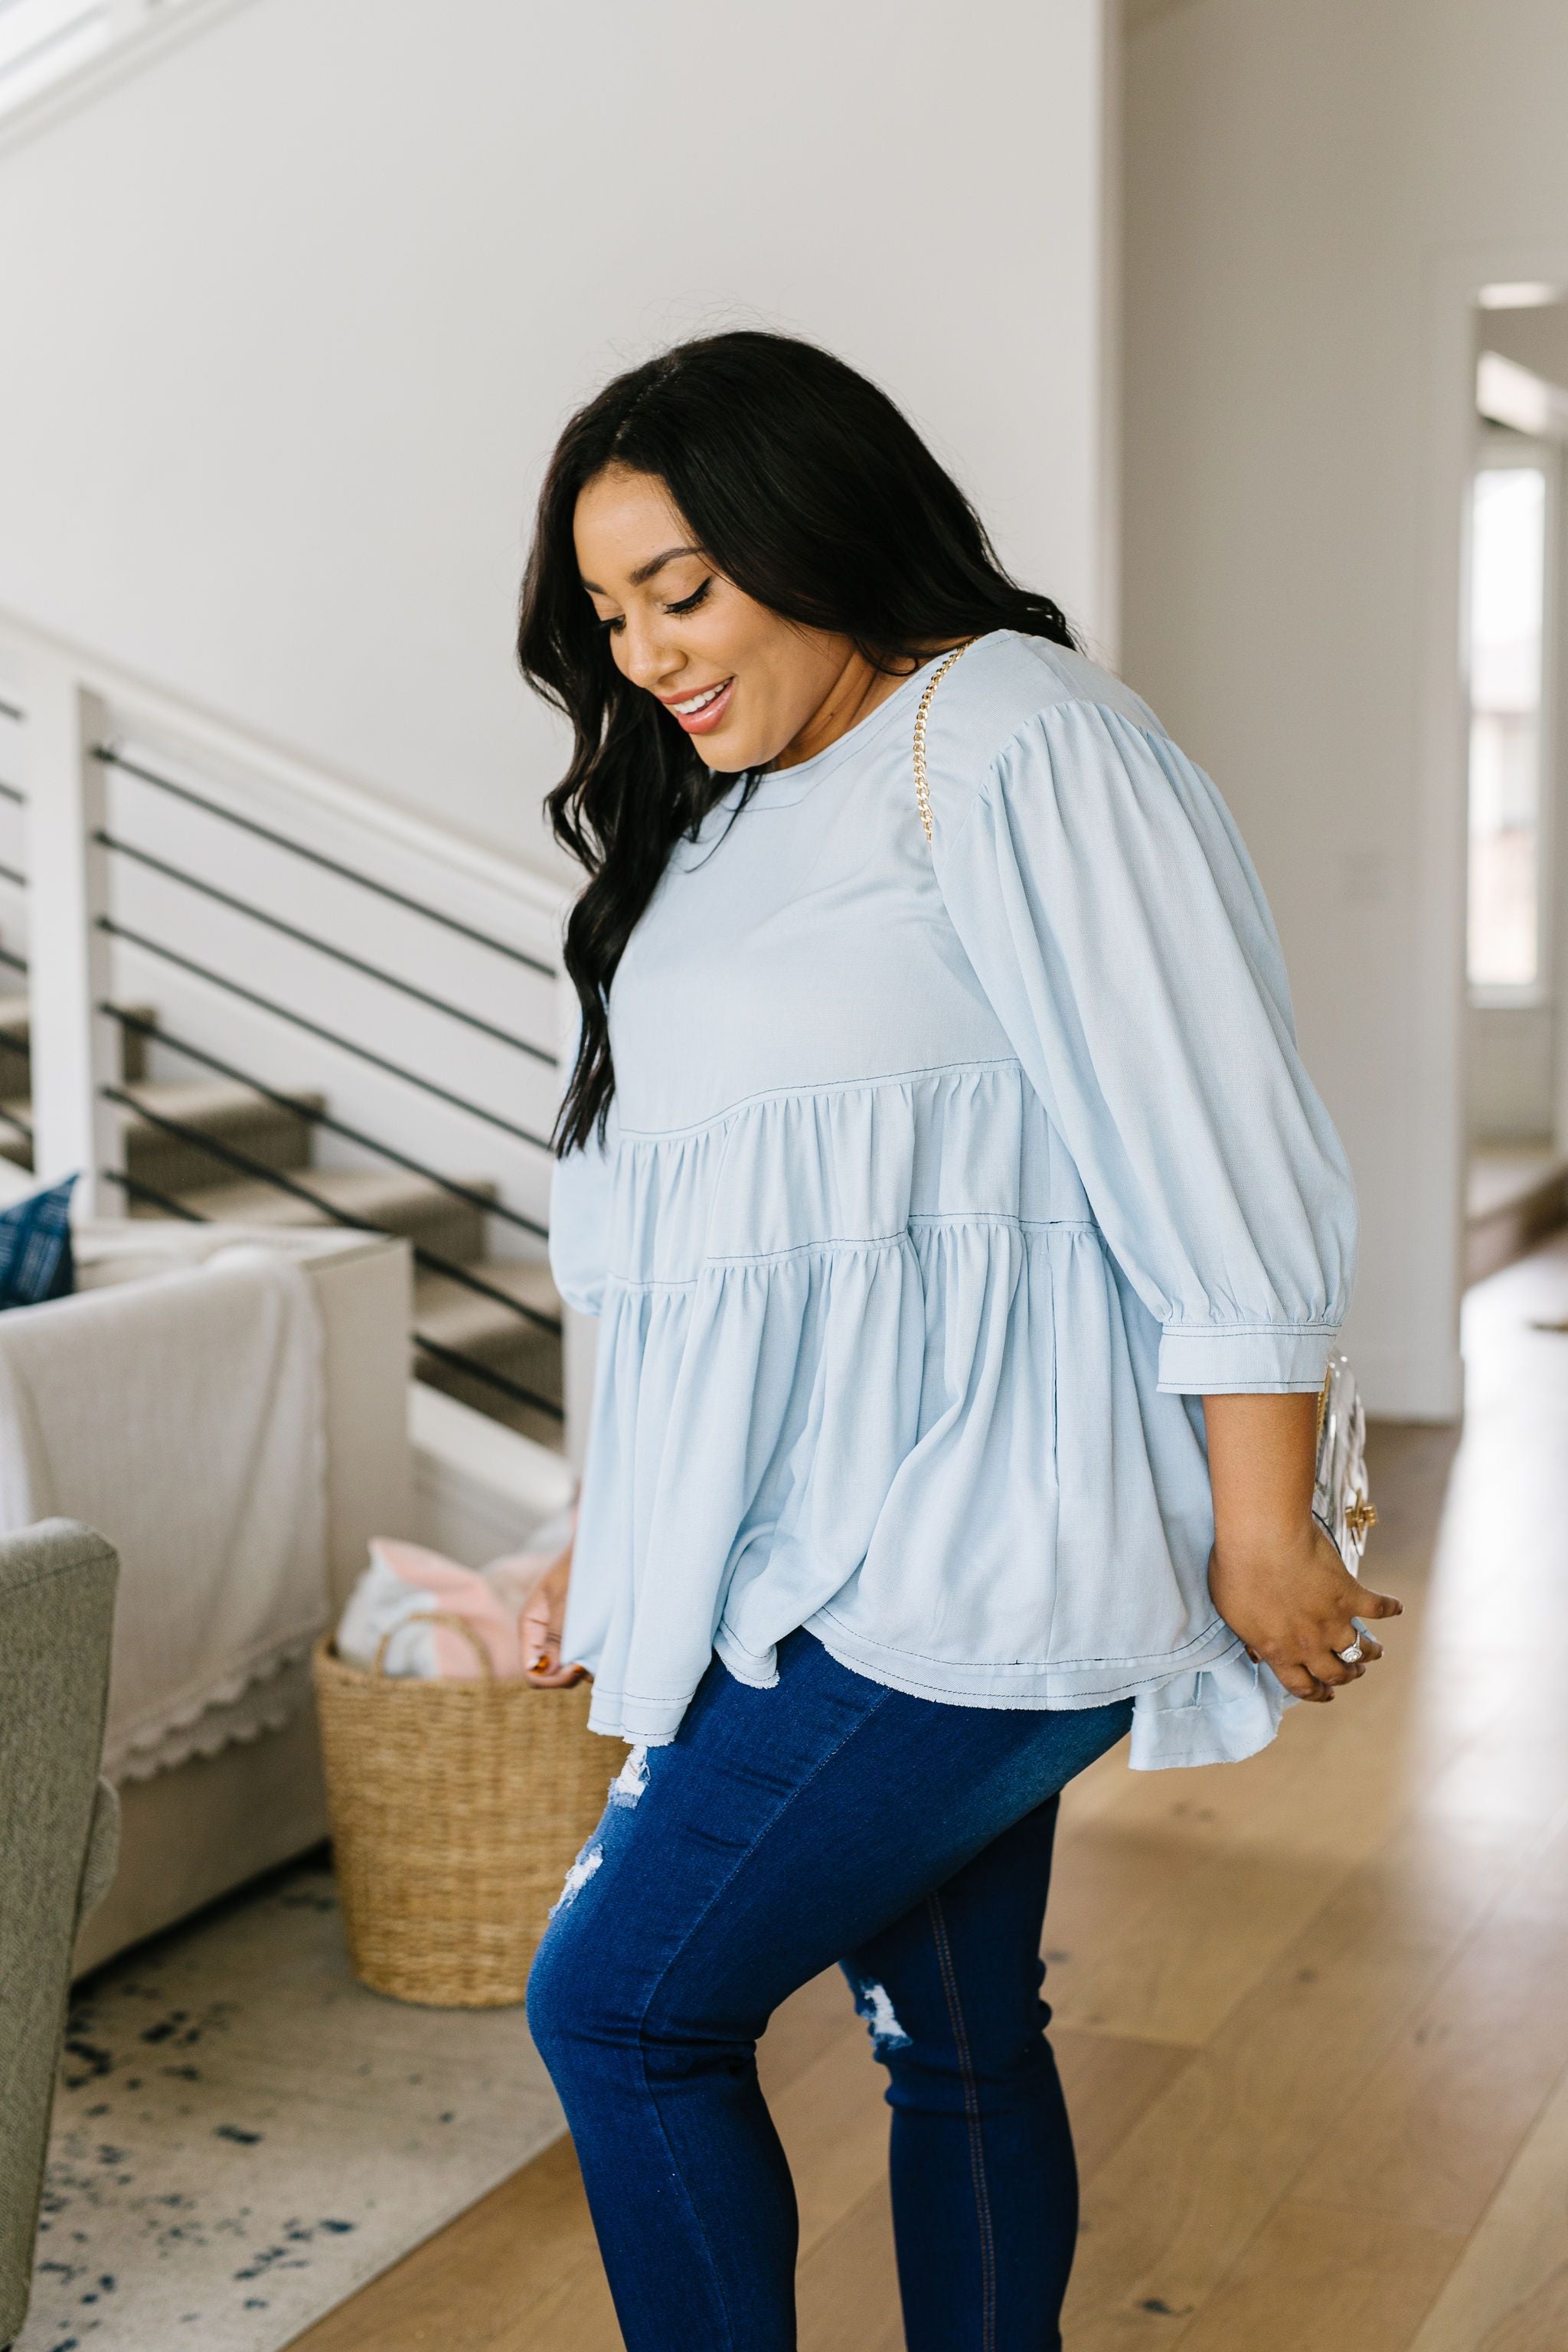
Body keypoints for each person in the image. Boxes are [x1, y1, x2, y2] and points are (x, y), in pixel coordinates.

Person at [514, 330, 1398, 2352]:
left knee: (622, 2005)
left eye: (685, 589)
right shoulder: (730, 810)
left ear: (815, 527)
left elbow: (1212, 1133)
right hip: (813, 1549)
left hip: (982, 1541)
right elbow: (687, 1237)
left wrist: (1262, 1524)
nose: (648, 653)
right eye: (608, 610)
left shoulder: (1008, 734)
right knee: (955, 2027)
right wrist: (620, 1521)